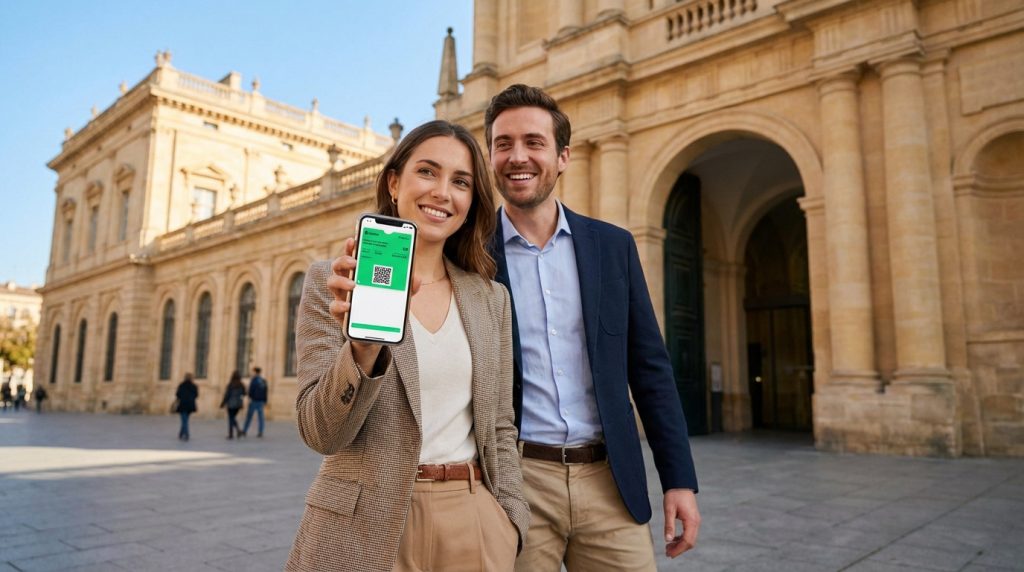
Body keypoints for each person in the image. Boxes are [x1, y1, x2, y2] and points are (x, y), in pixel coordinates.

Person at [286, 120, 528, 572]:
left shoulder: (491, 298)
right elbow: (320, 433)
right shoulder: (335, 282)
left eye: (461, 181)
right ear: (394, 182)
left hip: (472, 521)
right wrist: (361, 349)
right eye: (427, 172)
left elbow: (499, 426)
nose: (442, 192)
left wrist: (509, 520)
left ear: (472, 201)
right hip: (362, 525)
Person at [484, 84, 702, 571]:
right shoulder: (470, 254)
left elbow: (650, 369)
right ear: (490, 156)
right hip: (515, 482)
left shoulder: (612, 246)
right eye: (503, 144)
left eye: (534, 143)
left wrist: (679, 480)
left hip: (610, 480)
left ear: (562, 156)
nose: (518, 156)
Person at [241, 366, 268, 437]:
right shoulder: (263, 380)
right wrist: (265, 400)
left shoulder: (254, 380)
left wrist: (250, 397)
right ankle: (260, 431)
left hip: (254, 401)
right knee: (261, 418)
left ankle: (244, 430)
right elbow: (265, 391)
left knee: (249, 417)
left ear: (255, 372)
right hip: (261, 401)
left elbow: (251, 390)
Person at [219, 371, 246, 439]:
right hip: (238, 404)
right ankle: (238, 430)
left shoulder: (230, 385)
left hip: (231, 404)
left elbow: (227, 395)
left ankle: (232, 434)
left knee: (231, 418)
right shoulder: (241, 385)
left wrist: (223, 403)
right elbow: (244, 393)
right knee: (232, 418)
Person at [175, 373, 199, 440]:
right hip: (190, 405)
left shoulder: (181, 385)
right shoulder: (194, 386)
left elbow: (177, 394)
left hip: (182, 405)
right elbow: (196, 395)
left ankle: (186, 434)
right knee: (185, 420)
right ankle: (181, 433)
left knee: (184, 420)